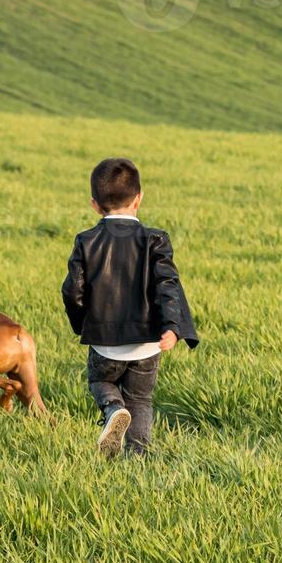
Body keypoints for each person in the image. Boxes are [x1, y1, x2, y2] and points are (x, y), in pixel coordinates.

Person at [62, 157, 198, 458]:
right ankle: (138, 458)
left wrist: (82, 324)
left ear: (94, 204)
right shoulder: (155, 240)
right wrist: (173, 328)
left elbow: (73, 291)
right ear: (139, 198)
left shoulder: (86, 241)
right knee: (141, 401)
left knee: (100, 381)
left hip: (104, 343)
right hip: (148, 344)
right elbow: (168, 285)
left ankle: (112, 409)